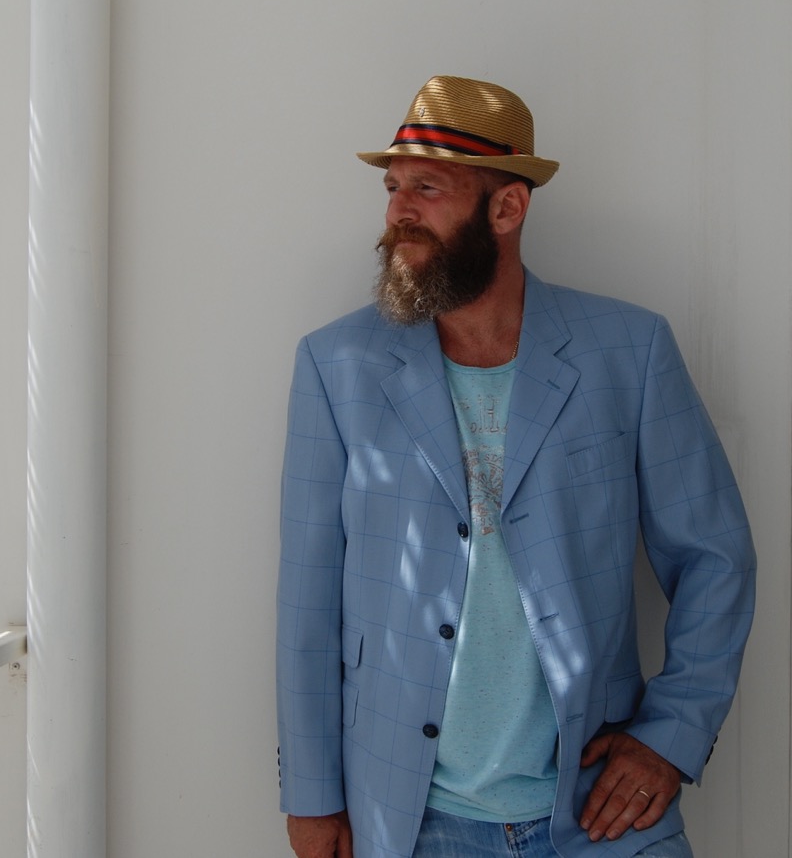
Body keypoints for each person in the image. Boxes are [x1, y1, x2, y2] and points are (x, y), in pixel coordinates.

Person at [276, 76, 756, 858]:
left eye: (427, 188)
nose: (398, 212)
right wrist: (311, 795)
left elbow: (717, 558)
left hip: (600, 816)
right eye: (393, 187)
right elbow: (307, 602)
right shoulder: (338, 367)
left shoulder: (628, 352)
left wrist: (670, 737)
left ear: (507, 208)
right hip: (409, 820)